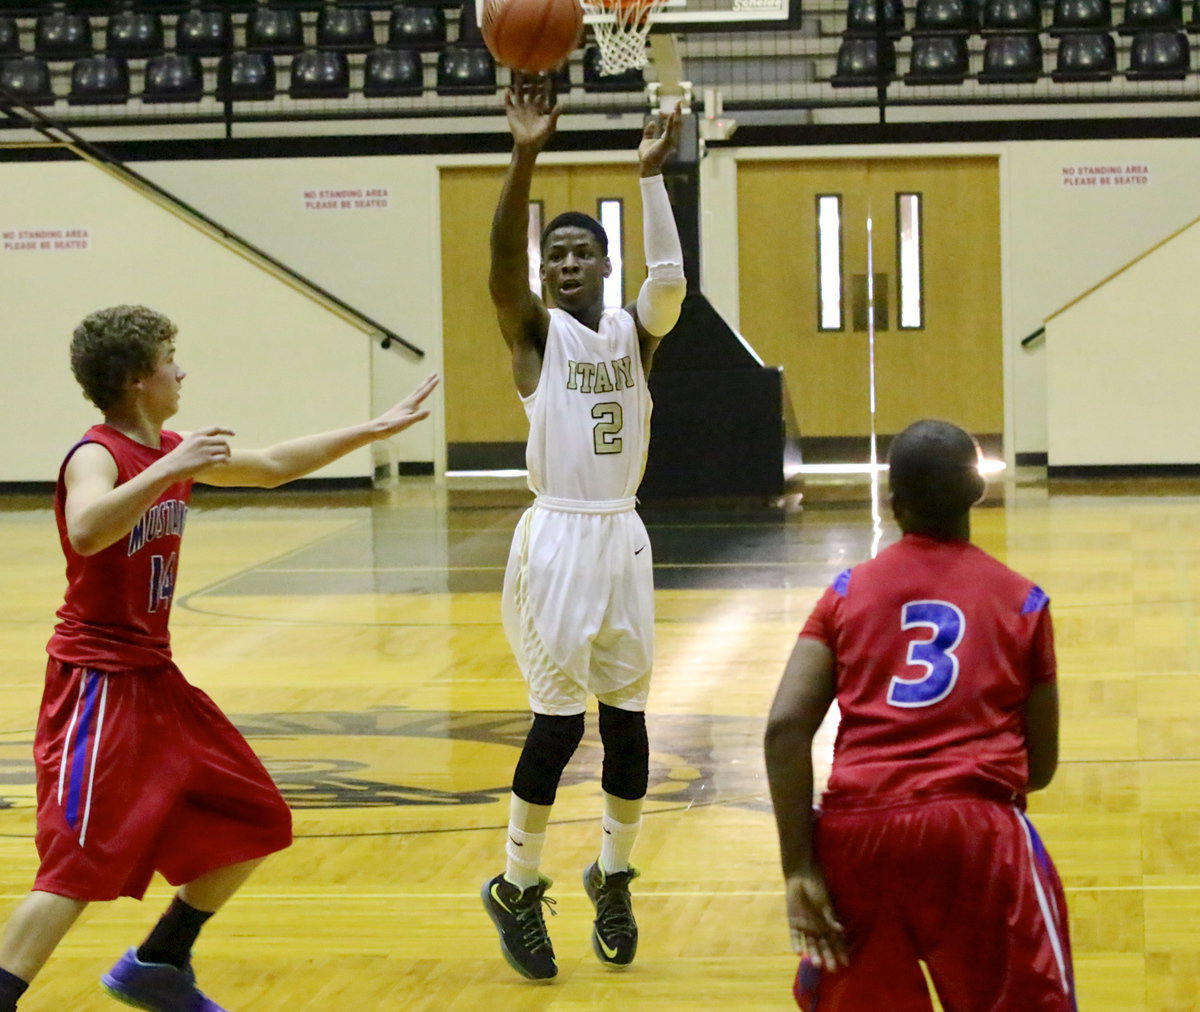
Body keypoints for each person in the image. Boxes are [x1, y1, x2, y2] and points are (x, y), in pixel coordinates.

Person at [0, 305, 438, 1012]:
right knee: (76, 869)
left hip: (153, 678)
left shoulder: (169, 447)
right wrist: (168, 467)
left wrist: (373, 429)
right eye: (171, 360)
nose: (182, 371)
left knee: (252, 817)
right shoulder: (98, 454)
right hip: (97, 685)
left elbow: (269, 467)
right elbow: (84, 529)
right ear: (141, 379)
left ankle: (159, 961)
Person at [479, 74, 685, 982]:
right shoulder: (534, 335)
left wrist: (650, 176)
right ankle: (517, 883)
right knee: (558, 727)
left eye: (581, 254)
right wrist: (525, 152)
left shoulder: (635, 336)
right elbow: (497, 268)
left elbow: (671, 277)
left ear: (604, 267)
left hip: (623, 539)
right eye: (554, 254)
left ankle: (612, 874)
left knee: (630, 726)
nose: (566, 264)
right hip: (557, 539)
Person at [764, 419, 1076, 1012]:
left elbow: (784, 728)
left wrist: (799, 865)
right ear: (977, 493)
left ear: (892, 500)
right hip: (975, 835)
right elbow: (1040, 768)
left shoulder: (846, 593)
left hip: (860, 836)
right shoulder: (1024, 600)